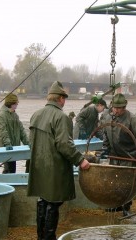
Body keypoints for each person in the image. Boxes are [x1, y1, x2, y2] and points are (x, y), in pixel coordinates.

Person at [27, 81, 90, 240]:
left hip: (38, 166)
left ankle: (41, 237)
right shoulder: (61, 117)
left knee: (43, 200)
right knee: (53, 203)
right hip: (54, 169)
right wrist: (80, 160)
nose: (64, 101)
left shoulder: (36, 115)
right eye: (64, 98)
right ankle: (49, 237)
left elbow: (30, 142)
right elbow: (64, 144)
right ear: (60, 99)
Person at [101, 93, 136, 216]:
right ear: (112, 106)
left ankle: (126, 206)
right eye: (115, 108)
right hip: (114, 154)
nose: (117, 110)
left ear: (125, 107)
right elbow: (105, 131)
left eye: (120, 108)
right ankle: (116, 205)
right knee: (114, 180)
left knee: (126, 183)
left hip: (129, 155)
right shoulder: (107, 117)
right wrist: (106, 147)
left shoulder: (132, 119)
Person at [0, 93, 29, 174]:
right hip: (6, 148)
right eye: (15, 103)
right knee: (8, 169)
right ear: (11, 103)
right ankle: (6, 184)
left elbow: (21, 131)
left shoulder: (15, 115)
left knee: (12, 169)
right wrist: (7, 144)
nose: (17, 104)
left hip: (14, 148)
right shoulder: (1, 116)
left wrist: (27, 143)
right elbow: (2, 132)